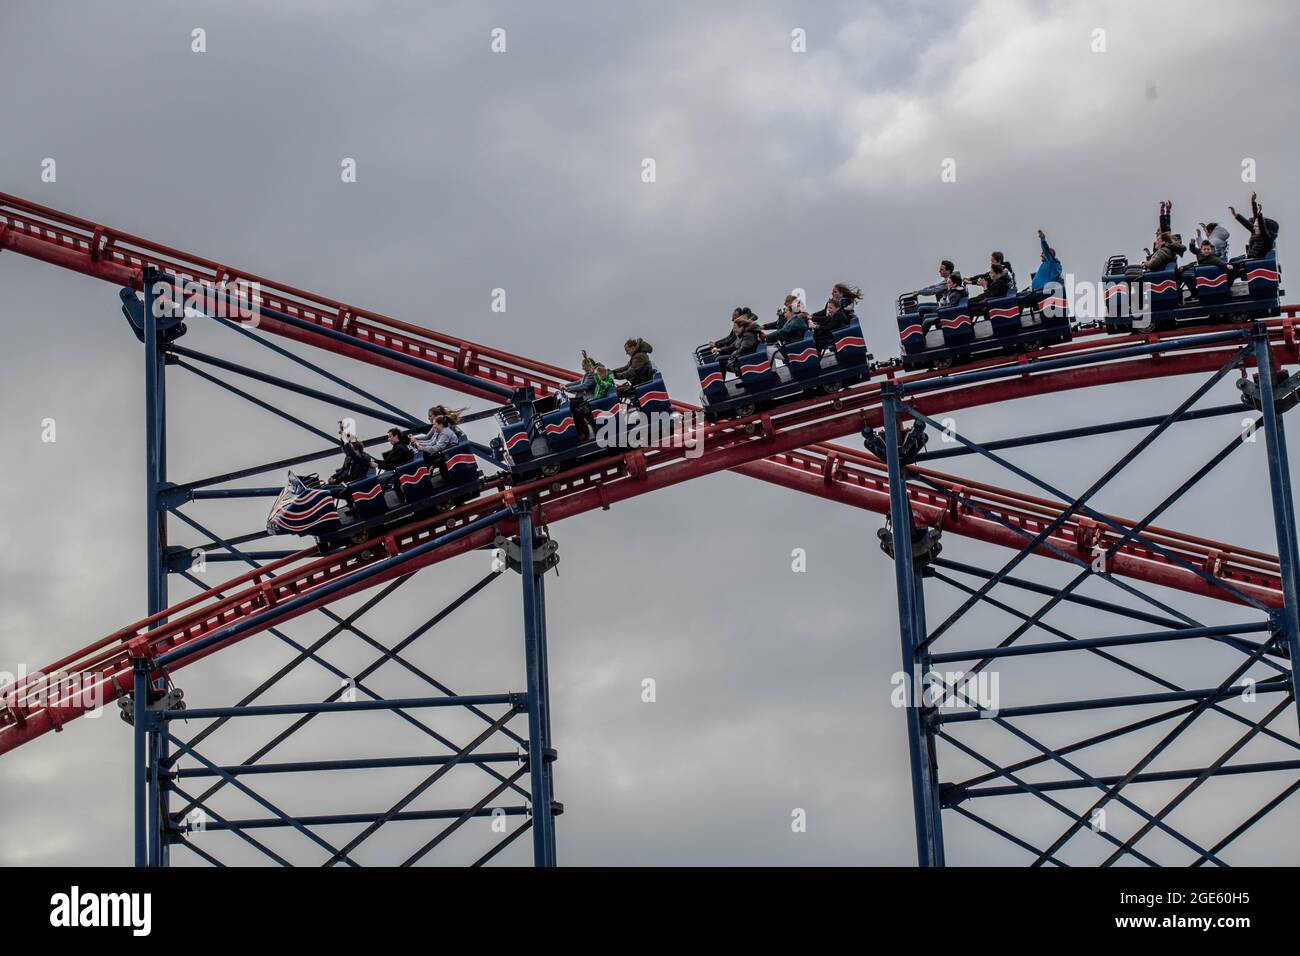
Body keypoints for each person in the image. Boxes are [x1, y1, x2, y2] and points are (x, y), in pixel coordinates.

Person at [809, 283, 861, 351]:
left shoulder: (841, 308)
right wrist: (812, 316)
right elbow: (826, 314)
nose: (832, 294)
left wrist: (816, 326)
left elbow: (829, 323)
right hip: (833, 327)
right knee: (816, 333)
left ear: (841, 294)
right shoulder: (834, 304)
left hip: (837, 331)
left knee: (816, 338)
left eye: (835, 292)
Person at [1229, 192, 1279, 260]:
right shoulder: (1255, 232)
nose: (1254, 227)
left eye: (1257, 226)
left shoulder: (1266, 237)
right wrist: (1235, 214)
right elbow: (1247, 222)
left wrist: (1259, 214)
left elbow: (1262, 227)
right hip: (1249, 257)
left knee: (1233, 264)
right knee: (1232, 260)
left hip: (1255, 260)